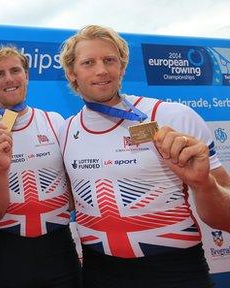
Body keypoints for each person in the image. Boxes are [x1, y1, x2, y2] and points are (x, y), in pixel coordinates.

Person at [58, 24, 230, 288]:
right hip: (99, 272)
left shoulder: (174, 116)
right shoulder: (65, 130)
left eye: (109, 60)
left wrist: (203, 183)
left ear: (122, 66)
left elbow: (225, 219)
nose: (101, 70)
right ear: (71, 73)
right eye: (88, 62)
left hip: (174, 271)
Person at [0, 45, 81, 288]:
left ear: (27, 76)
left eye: (15, 70)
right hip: (9, 251)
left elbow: (75, 186)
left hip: (59, 247)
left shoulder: (54, 121)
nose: (9, 79)